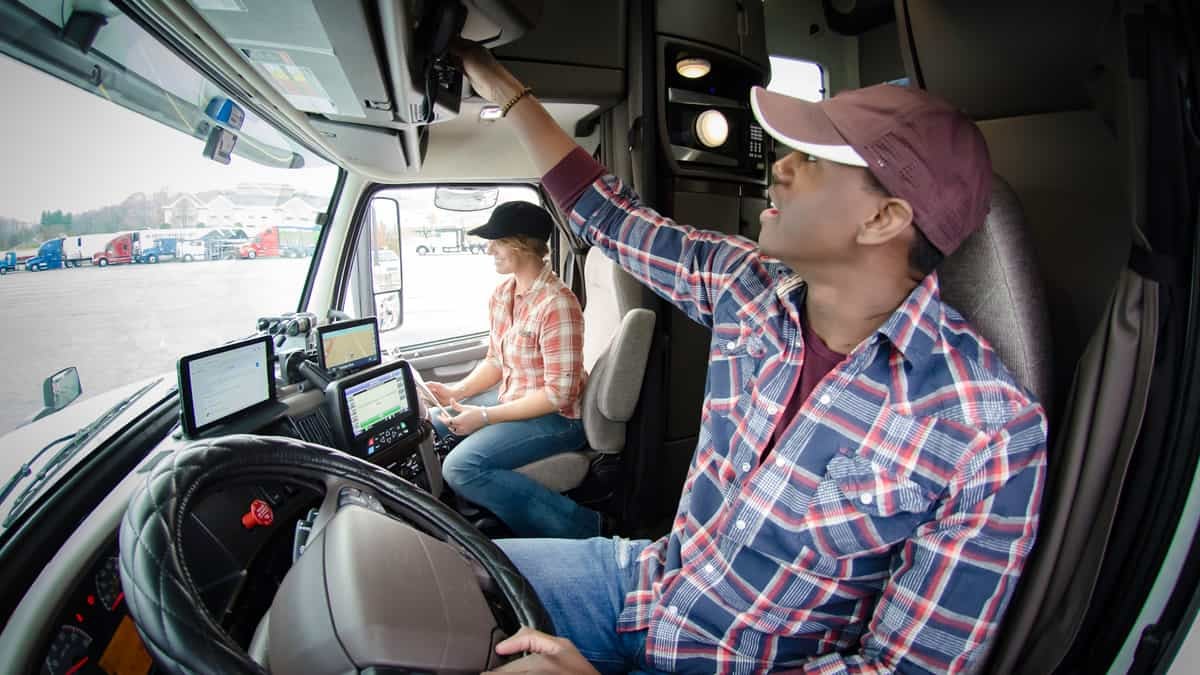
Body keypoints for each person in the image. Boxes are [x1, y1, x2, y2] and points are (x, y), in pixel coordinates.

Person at [455, 42, 1049, 675]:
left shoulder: (988, 431)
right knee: (429, 569)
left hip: (738, 661)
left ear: (883, 218)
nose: (780, 168)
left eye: (812, 160)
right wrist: (505, 91)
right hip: (647, 586)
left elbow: (905, 670)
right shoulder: (750, 285)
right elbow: (608, 213)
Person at [427, 200, 597, 539]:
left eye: (498, 241)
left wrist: (487, 416)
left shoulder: (557, 304)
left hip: (557, 417)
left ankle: (582, 527)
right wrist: (457, 391)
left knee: (460, 467)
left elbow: (558, 394)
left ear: (524, 244)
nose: (489, 249)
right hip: (514, 397)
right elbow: (495, 361)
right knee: (432, 420)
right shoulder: (503, 294)